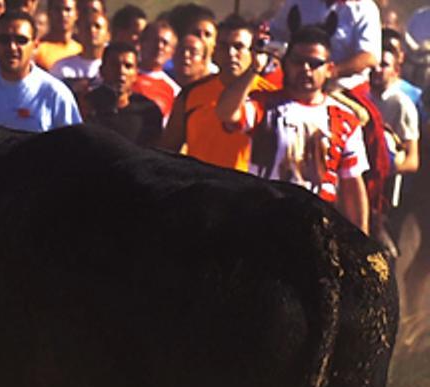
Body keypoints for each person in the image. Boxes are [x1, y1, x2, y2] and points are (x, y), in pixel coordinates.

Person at [217, 20, 370, 232]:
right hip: (263, 220)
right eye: (298, 61)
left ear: (329, 69)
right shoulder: (263, 105)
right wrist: (254, 69)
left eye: (315, 63)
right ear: (286, 63)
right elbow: (226, 113)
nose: (306, 69)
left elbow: (352, 185)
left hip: (316, 228)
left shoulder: (345, 120)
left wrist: (361, 239)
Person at [161, 15, 278, 170]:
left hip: (248, 190)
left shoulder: (270, 97)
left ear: (253, 51)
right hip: (202, 188)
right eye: (223, 46)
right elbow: (168, 152)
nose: (230, 53)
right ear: (215, 50)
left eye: (238, 47)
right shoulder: (192, 94)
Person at [0, 10, 83, 131]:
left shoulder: (55, 94)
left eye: (21, 40)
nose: (12, 47)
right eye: (4, 40)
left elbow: (73, 147)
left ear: (35, 45)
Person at [81, 41, 163, 146]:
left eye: (128, 66)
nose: (121, 71)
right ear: (102, 70)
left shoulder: (149, 112)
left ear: (136, 74)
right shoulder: (86, 105)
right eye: (114, 65)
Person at [370, 40, 420, 175]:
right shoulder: (363, 99)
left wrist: (386, 170)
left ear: (396, 71)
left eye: (384, 65)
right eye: (374, 65)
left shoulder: (401, 104)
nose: (377, 69)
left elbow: (412, 161)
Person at [50, 9, 110, 95]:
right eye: (87, 26)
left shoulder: (114, 68)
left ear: (108, 35)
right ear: (78, 32)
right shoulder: (61, 67)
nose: (92, 30)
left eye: (97, 26)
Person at [134, 20, 180, 118]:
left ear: (172, 52)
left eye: (165, 43)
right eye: (155, 40)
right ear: (141, 43)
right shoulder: (121, 75)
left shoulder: (174, 90)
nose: (159, 46)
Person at [36, 0, 82, 70]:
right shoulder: (38, 49)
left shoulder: (81, 50)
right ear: (49, 13)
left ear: (77, 14)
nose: (63, 14)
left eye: (68, 10)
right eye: (57, 9)